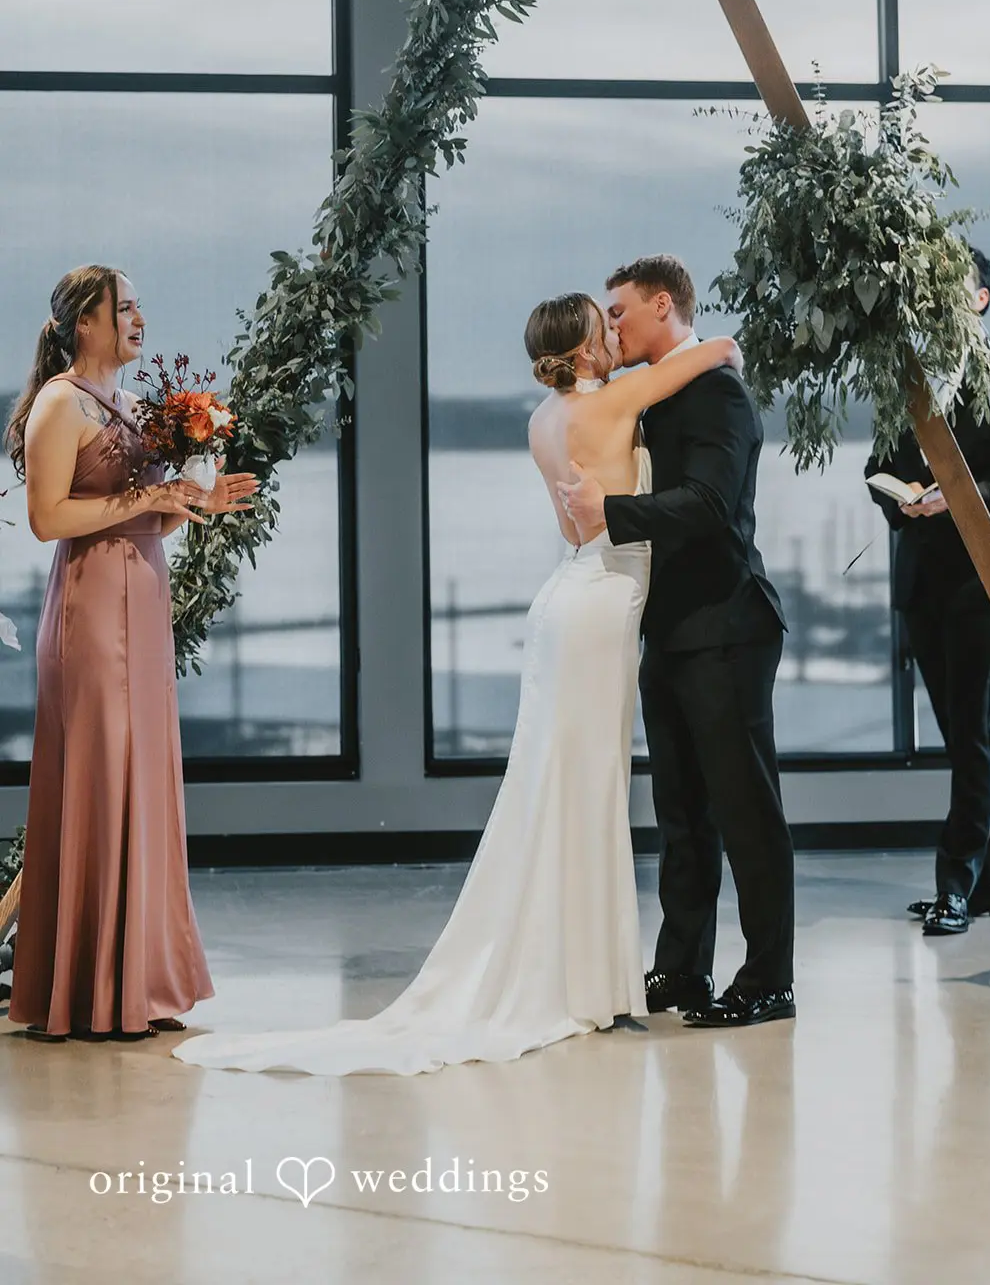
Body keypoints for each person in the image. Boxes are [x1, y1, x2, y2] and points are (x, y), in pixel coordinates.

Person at [174, 292, 741, 1074]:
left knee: (557, 788)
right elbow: (702, 357)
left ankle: (583, 973)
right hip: (601, 603)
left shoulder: (542, 418)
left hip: (566, 596)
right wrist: (721, 344)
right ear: (580, 352)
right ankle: (587, 986)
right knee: (588, 789)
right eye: (603, 327)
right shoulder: (610, 401)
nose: (615, 336)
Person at [4, 265, 258, 1040]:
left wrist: (193, 501)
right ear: (86, 321)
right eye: (126, 307)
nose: (139, 318)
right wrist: (146, 496)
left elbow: (149, 519)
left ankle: (139, 983)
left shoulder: (131, 404)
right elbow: (49, 517)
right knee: (101, 780)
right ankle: (90, 991)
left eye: (140, 305)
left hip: (141, 602)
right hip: (90, 612)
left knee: (142, 782)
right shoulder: (60, 402)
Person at [561, 255, 794, 1030]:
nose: (610, 326)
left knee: (745, 810)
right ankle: (681, 968)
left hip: (728, 628)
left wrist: (612, 514)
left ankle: (769, 979)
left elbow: (708, 504)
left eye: (620, 311)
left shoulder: (719, 394)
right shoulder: (652, 398)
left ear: (665, 306)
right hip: (669, 630)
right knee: (682, 816)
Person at [866, 246, 990, 935]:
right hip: (924, 581)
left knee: (974, 734)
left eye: (951, 292)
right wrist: (903, 499)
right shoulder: (910, 391)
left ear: (979, 299)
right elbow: (876, 472)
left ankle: (957, 885)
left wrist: (959, 496)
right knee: (966, 735)